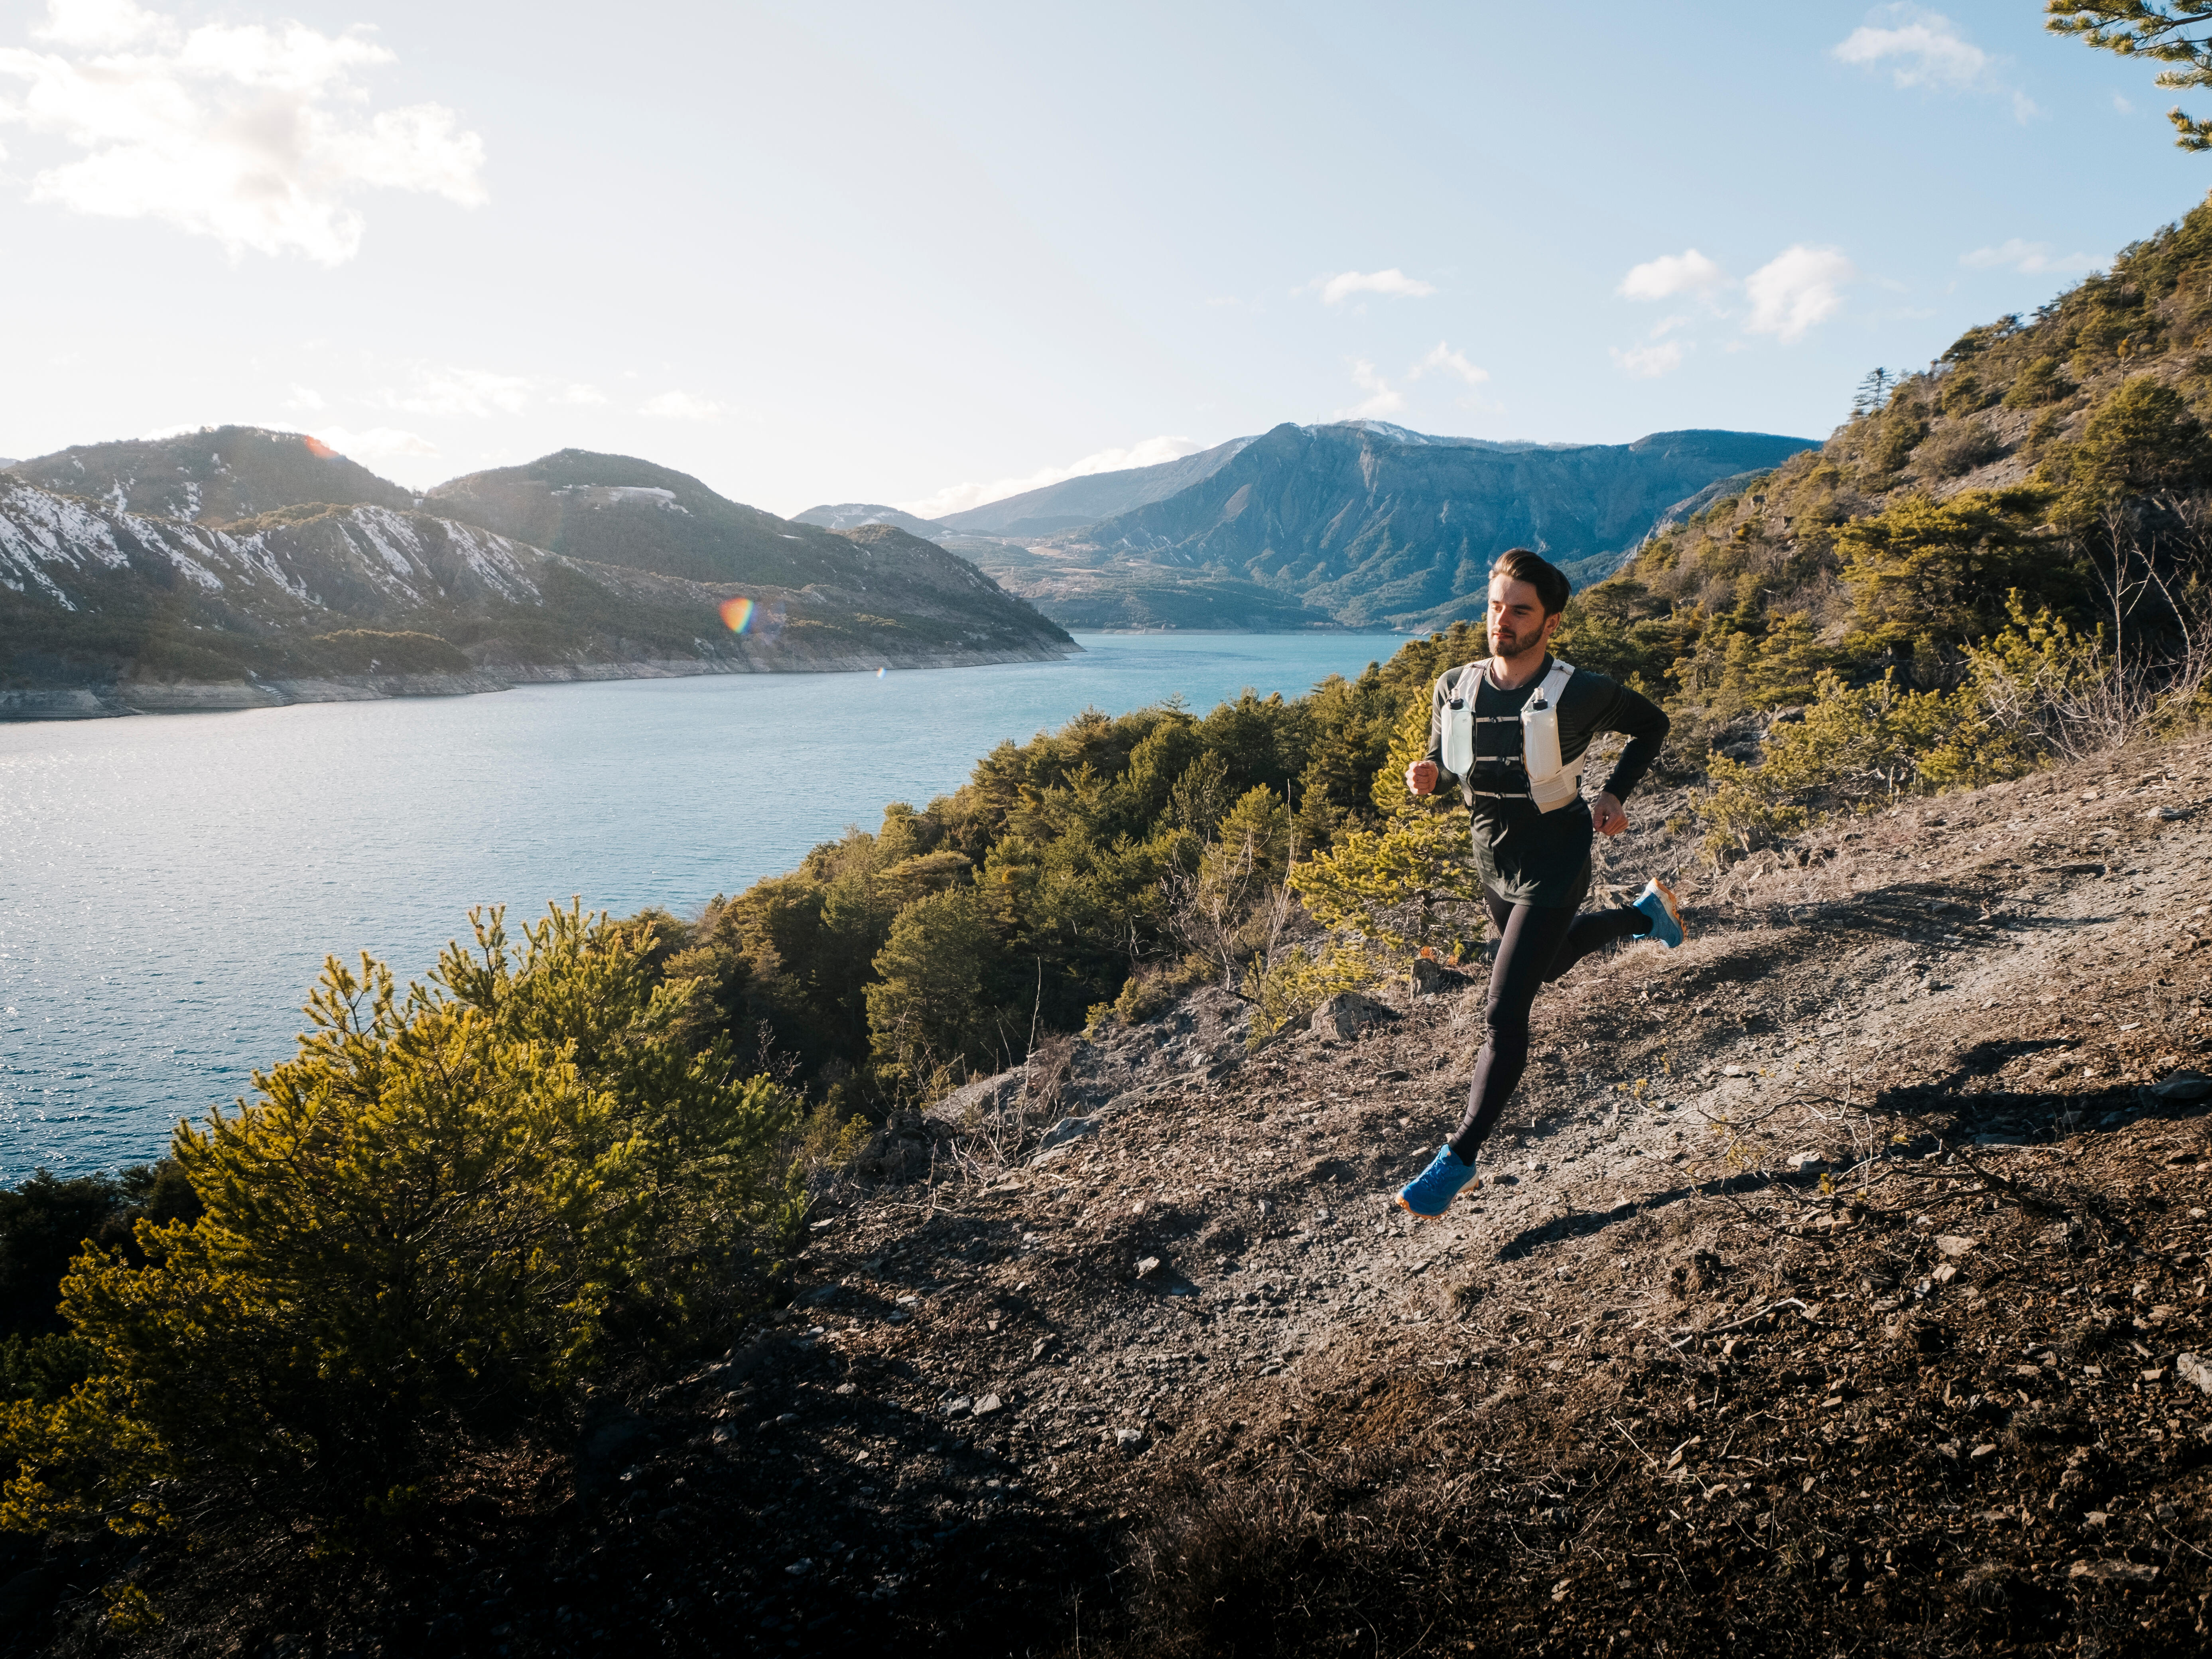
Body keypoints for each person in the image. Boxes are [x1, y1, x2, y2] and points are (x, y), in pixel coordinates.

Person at [1393, 548, 1684, 1220]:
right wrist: (1430, 777)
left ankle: (1459, 1158)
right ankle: (1644, 917)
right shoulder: (1454, 685)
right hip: (1491, 853)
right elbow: (1448, 762)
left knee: (1504, 1009)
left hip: (1557, 851)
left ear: (1550, 623)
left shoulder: (1578, 691)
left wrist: (1614, 793)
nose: (1503, 620)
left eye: (1520, 611)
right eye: (1496, 606)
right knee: (1547, 965)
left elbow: (1652, 725)